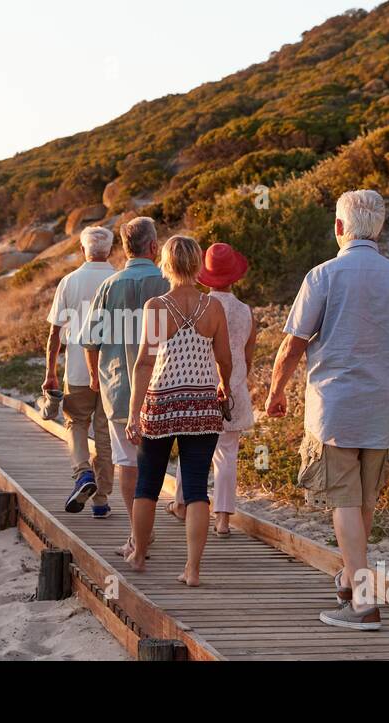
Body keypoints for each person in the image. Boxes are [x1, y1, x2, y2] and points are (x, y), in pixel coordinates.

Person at [265, 190, 389, 631]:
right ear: (379, 229)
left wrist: (276, 391)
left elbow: (293, 344)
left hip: (334, 407)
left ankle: (361, 602)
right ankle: (348, 576)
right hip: (381, 407)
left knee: (343, 499)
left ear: (339, 228)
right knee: (363, 498)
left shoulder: (322, 276)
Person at [124, 236, 230, 586]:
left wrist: (133, 412)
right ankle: (193, 569)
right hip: (202, 405)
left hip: (162, 403)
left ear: (166, 265)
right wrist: (224, 385)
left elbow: (144, 363)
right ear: (197, 265)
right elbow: (224, 358)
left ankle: (139, 553)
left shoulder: (158, 307)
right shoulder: (213, 308)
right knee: (198, 488)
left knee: (149, 484)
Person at [80, 217, 170, 557]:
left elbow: (90, 340)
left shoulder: (110, 286)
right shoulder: (167, 283)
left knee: (127, 463)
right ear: (152, 246)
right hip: (163, 387)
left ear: (125, 247)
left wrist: (93, 377)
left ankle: (137, 537)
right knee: (157, 462)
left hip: (118, 387)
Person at [170, 243, 254, 537]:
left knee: (191, 450)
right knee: (227, 454)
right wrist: (236, 381)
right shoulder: (245, 311)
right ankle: (222, 520)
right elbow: (248, 355)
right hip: (233, 391)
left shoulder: (198, 306)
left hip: (199, 387)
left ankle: (181, 503)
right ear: (234, 276)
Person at [44, 226, 118, 516]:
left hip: (76, 369)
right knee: (104, 433)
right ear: (110, 251)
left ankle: (82, 472)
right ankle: (101, 502)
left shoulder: (69, 282)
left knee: (76, 423)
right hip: (113, 373)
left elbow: (55, 334)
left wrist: (50, 371)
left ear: (81, 249)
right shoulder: (118, 280)